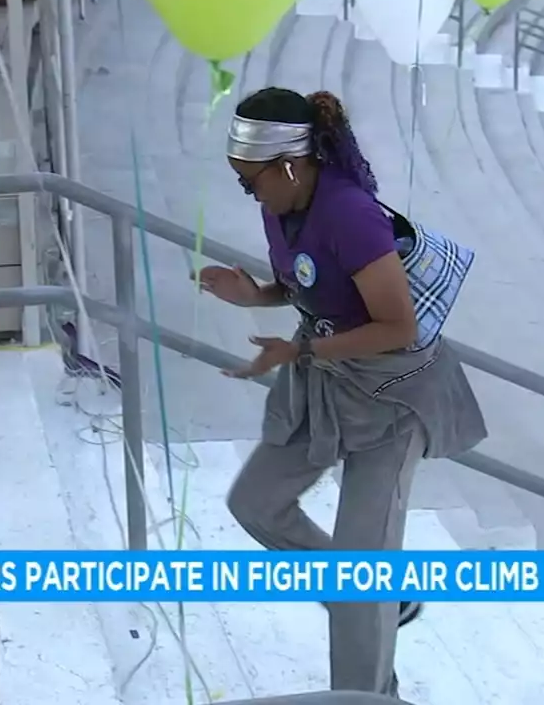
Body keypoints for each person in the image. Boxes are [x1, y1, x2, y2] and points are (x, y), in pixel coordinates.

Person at [199, 87, 488, 698]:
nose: (247, 193)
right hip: (328, 380)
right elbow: (304, 283)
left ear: (288, 165)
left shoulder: (351, 214)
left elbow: (398, 324)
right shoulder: (280, 204)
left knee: (363, 573)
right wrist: (253, 295)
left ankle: (371, 687)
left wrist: (298, 350)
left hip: (393, 395)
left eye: (250, 182)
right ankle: (379, 598)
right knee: (255, 502)